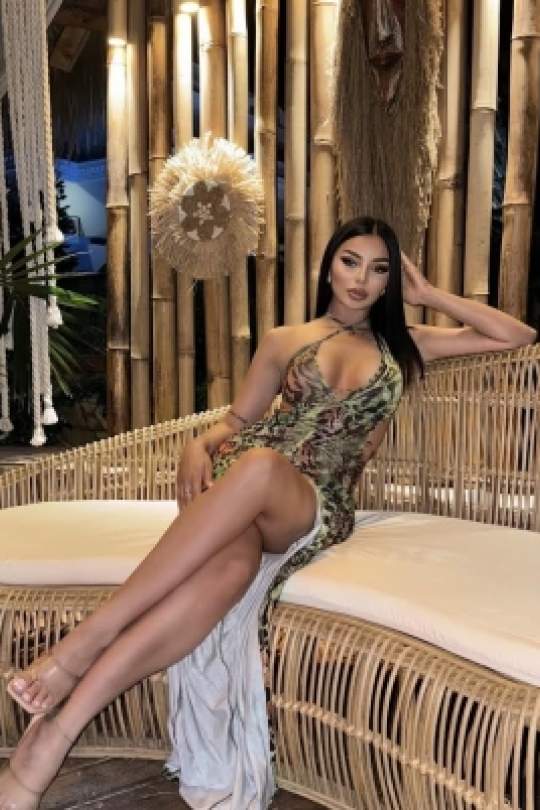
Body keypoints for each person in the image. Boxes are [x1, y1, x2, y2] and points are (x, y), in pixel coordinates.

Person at [0, 216, 536, 809]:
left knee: (257, 466)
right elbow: (238, 421)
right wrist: (199, 444)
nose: (361, 278)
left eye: (378, 268)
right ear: (329, 268)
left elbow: (517, 335)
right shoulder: (286, 340)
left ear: (391, 281)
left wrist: (430, 294)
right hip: (248, 486)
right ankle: (52, 739)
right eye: (350, 261)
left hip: (312, 500)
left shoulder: (405, 344)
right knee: (226, 572)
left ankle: (82, 644)